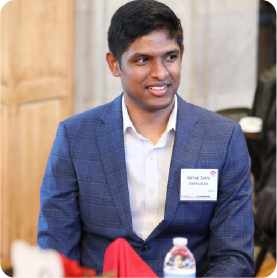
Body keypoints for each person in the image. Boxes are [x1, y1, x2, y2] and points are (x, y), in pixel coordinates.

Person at [37, 0, 255, 276]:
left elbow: (234, 255)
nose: (161, 73)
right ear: (114, 64)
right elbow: (55, 249)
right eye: (143, 59)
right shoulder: (75, 136)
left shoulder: (223, 138)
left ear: (182, 55)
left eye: (170, 57)